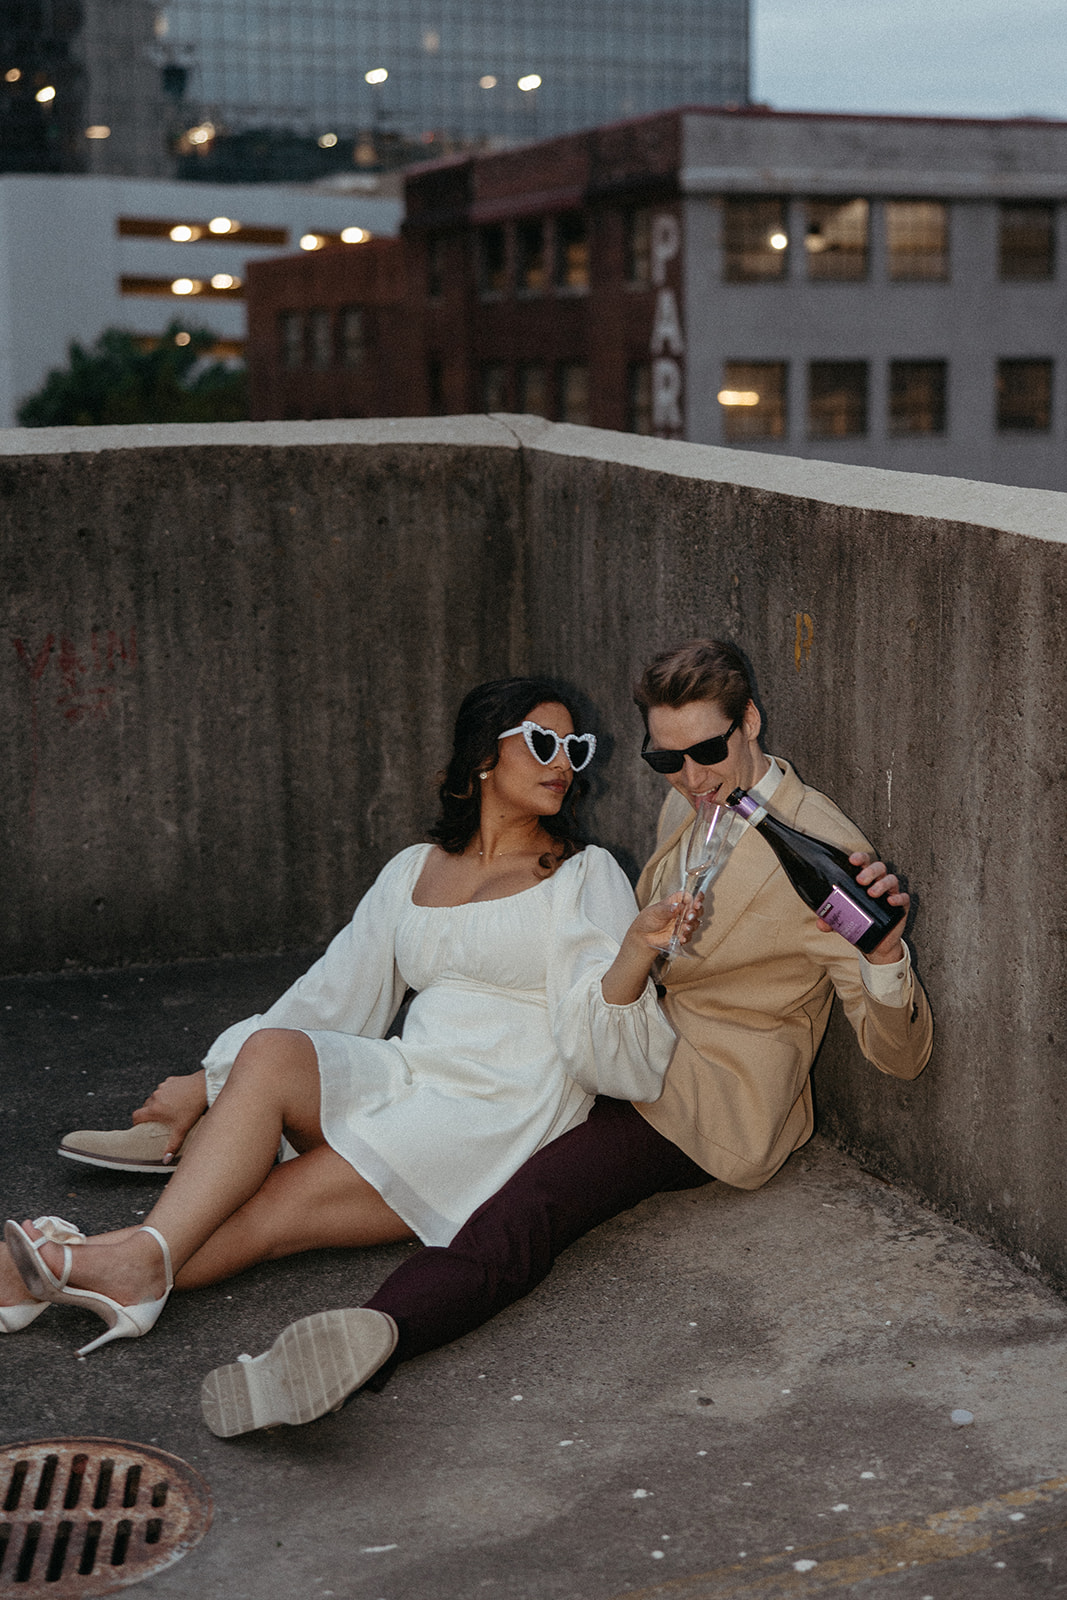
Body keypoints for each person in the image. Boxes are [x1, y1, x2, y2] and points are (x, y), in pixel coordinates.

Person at [199, 637, 934, 1433]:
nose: (690, 780)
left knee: (534, 1204)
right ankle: (137, 1262)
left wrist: (884, 953)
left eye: (708, 752)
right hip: (606, 1040)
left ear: (750, 720)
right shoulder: (696, 798)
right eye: (668, 762)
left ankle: (372, 1338)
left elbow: (900, 1055)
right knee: (418, 1123)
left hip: (700, 1090)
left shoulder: (823, 849)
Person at [2, 677, 686, 1416]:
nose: (565, 763)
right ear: (484, 757)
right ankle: (104, 1267)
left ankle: (70, 1264)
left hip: (492, 1110)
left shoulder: (584, 875)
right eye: (544, 743)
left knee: (262, 1211)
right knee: (270, 1051)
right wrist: (208, 1081)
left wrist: (632, 961)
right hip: (408, 1073)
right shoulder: (414, 869)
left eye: (575, 748)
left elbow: (600, 1035)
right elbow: (331, 996)